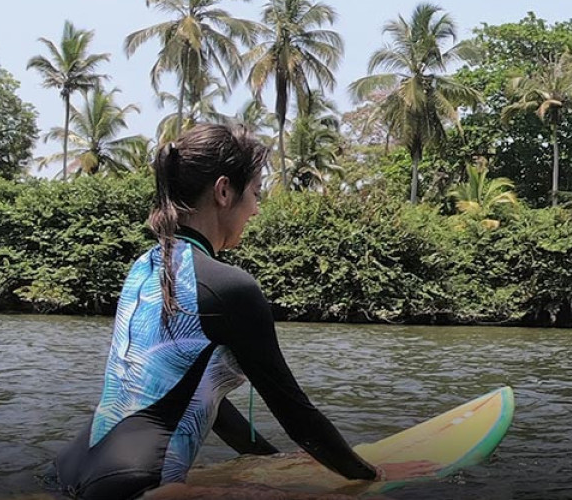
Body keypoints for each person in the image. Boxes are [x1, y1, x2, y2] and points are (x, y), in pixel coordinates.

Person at [47, 124, 434, 499]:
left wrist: (273, 461)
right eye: (255, 192)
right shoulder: (229, 288)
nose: (256, 209)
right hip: (144, 489)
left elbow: (204, 401)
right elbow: (296, 413)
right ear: (223, 191)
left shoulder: (146, 266)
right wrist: (371, 476)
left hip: (70, 473)